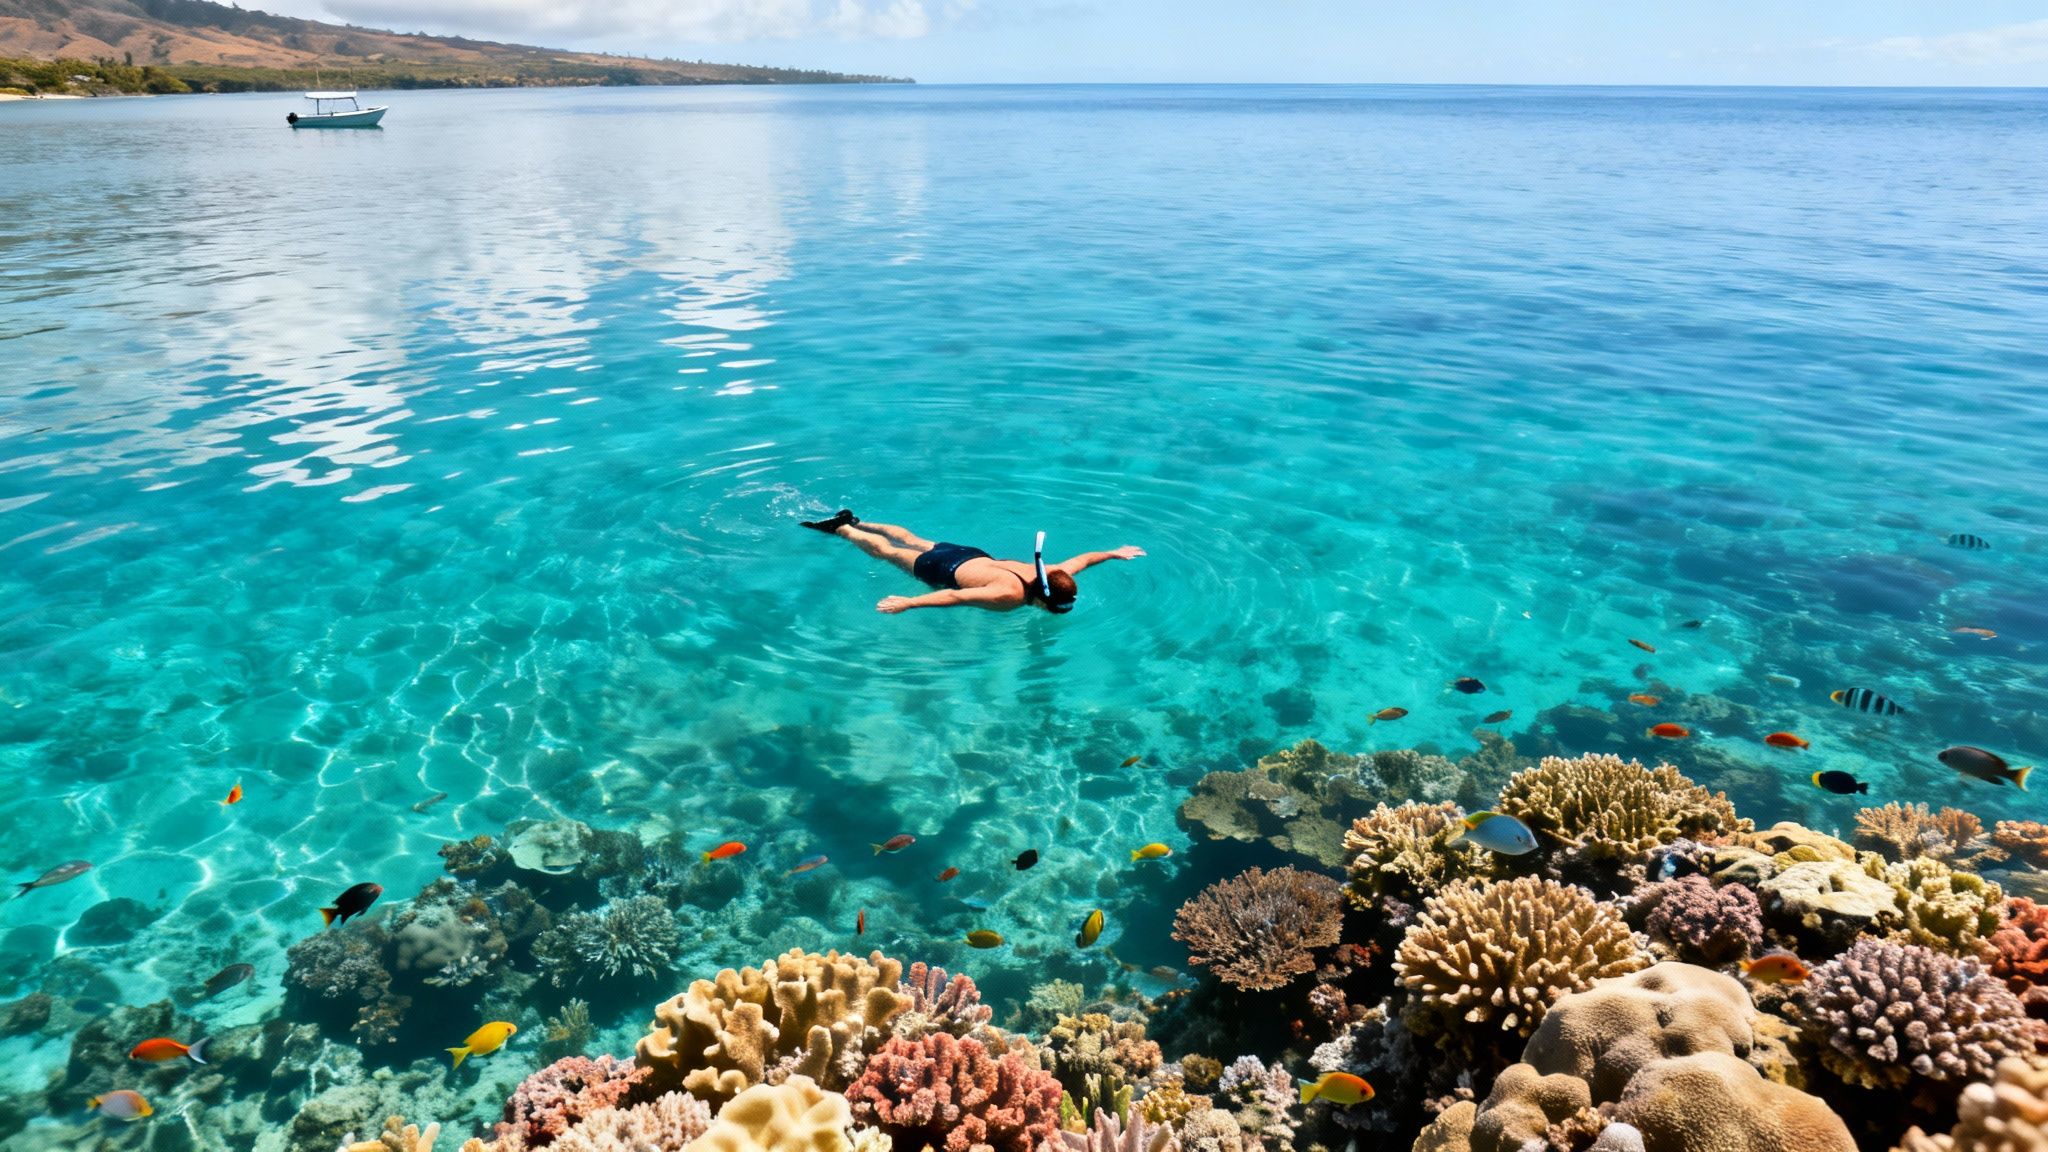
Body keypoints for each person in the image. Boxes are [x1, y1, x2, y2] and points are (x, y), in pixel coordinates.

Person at [800, 510, 1143, 614]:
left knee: (913, 538)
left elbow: (1085, 558)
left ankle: (861, 521)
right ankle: (844, 529)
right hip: (943, 571)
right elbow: (954, 596)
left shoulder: (1055, 573)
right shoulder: (1009, 597)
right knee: (888, 552)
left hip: (971, 555)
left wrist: (1114, 552)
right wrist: (909, 602)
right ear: (1039, 599)